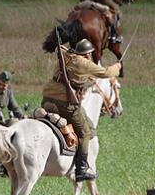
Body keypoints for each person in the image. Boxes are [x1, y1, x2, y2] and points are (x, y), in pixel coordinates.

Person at [41, 38, 121, 181]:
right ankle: (81, 168)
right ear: (87, 54)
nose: (90, 56)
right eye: (90, 54)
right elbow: (106, 73)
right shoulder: (84, 63)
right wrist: (117, 67)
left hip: (47, 99)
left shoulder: (67, 56)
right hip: (64, 103)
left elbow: (62, 49)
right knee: (85, 132)